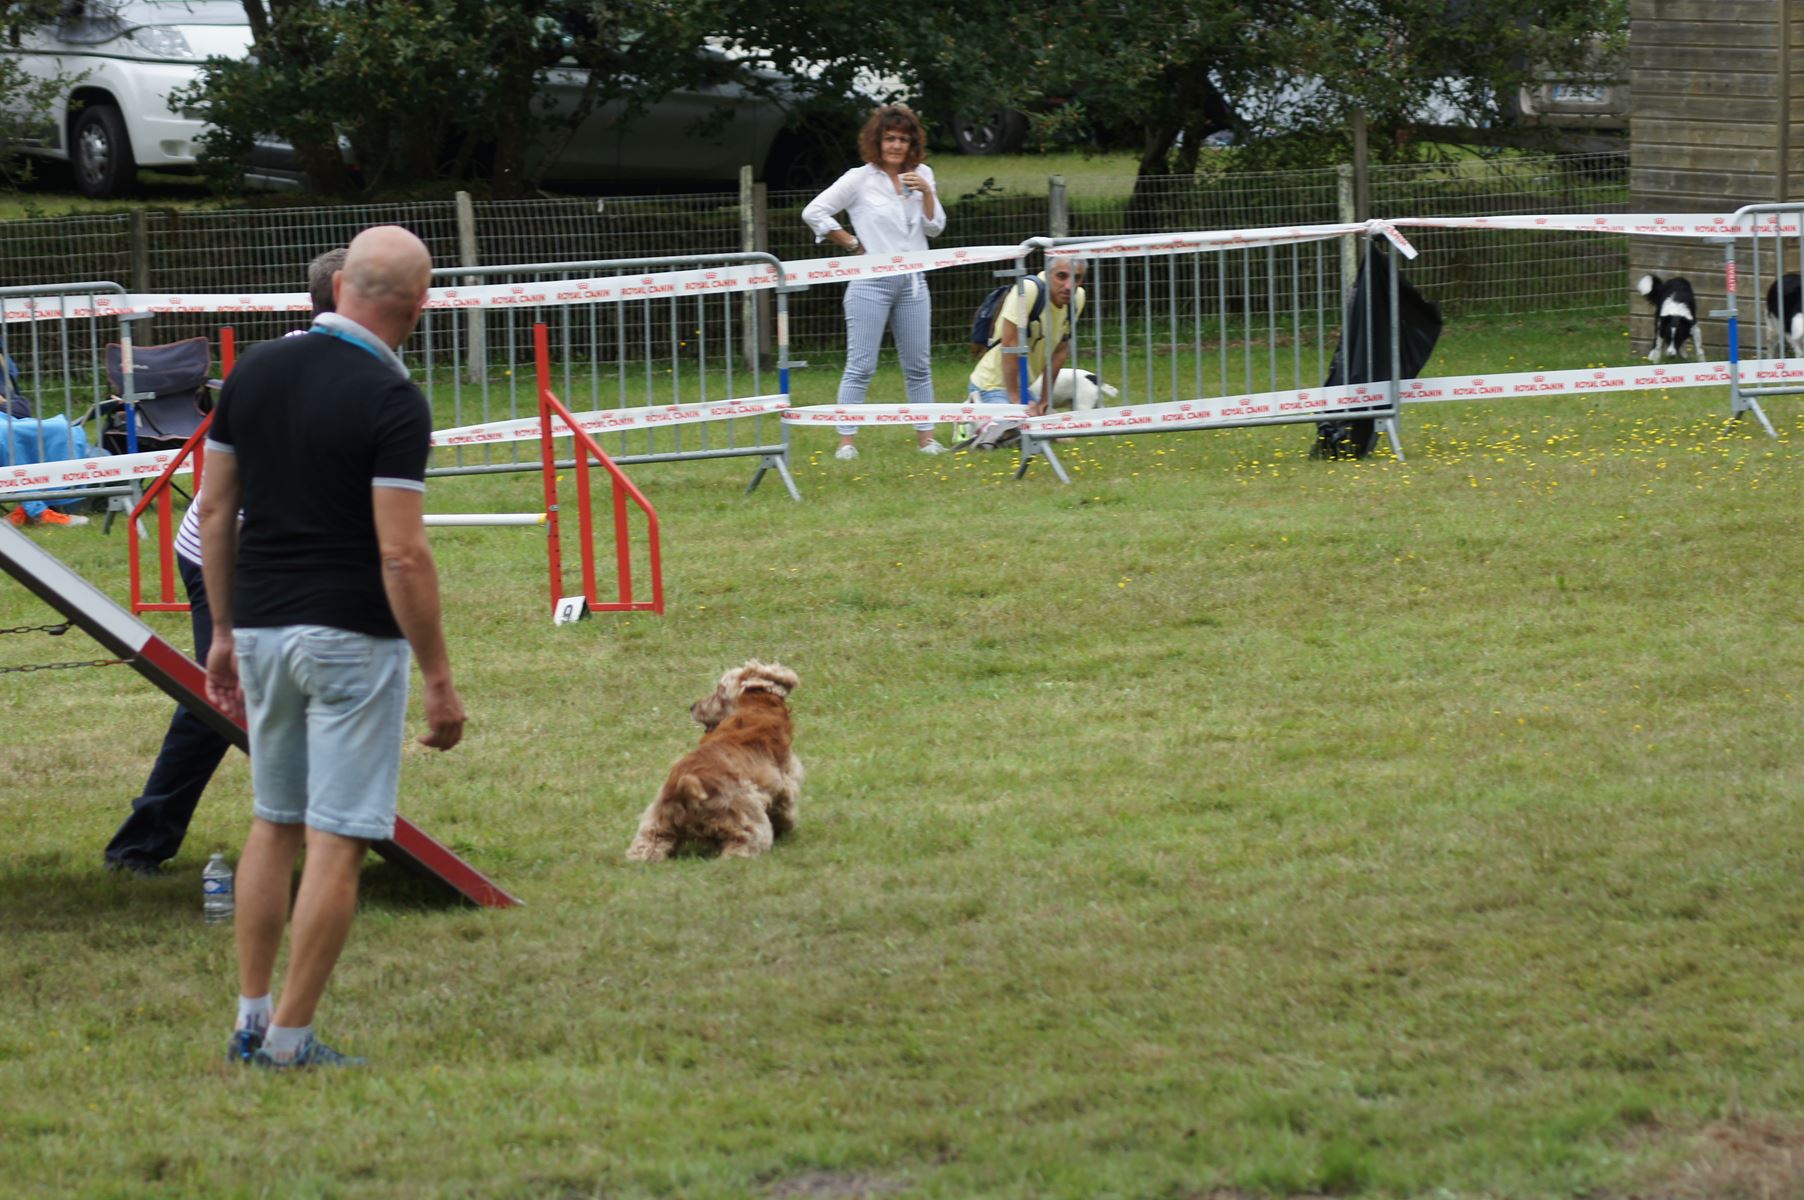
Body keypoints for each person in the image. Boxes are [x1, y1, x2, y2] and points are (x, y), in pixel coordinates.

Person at [201, 226, 465, 1069]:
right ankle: (289, 1041)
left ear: (340, 280)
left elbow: (213, 512)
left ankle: (249, 1015)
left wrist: (224, 632)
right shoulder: (394, 399)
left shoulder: (253, 370)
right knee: (338, 838)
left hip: (265, 629)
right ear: (419, 310)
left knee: (272, 822)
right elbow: (402, 552)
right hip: (353, 636)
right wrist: (439, 677)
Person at [103, 247, 349, 879]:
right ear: (347, 293)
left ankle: (329, 826)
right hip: (227, 550)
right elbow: (232, 508)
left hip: (277, 554)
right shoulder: (289, 374)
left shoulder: (355, 365)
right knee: (221, 700)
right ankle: (139, 843)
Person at [802, 103, 949, 460]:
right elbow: (814, 211)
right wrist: (851, 242)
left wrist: (927, 192)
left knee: (918, 364)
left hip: (913, 283)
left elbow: (935, 227)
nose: (896, 146)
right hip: (870, 282)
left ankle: (927, 438)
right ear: (877, 141)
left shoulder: (922, 174)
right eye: (889, 139)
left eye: (903, 139)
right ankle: (846, 442)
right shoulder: (859, 178)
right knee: (861, 364)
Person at [964, 256, 1088, 447]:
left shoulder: (1077, 298)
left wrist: (1045, 401)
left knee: (1062, 437)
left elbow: (1060, 350)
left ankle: (992, 420)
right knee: (1014, 432)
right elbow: (1010, 344)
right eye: (1061, 276)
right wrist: (1015, 400)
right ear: (1048, 274)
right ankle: (969, 421)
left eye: (1077, 278)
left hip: (1023, 389)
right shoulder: (1028, 290)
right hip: (990, 385)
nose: (1069, 285)